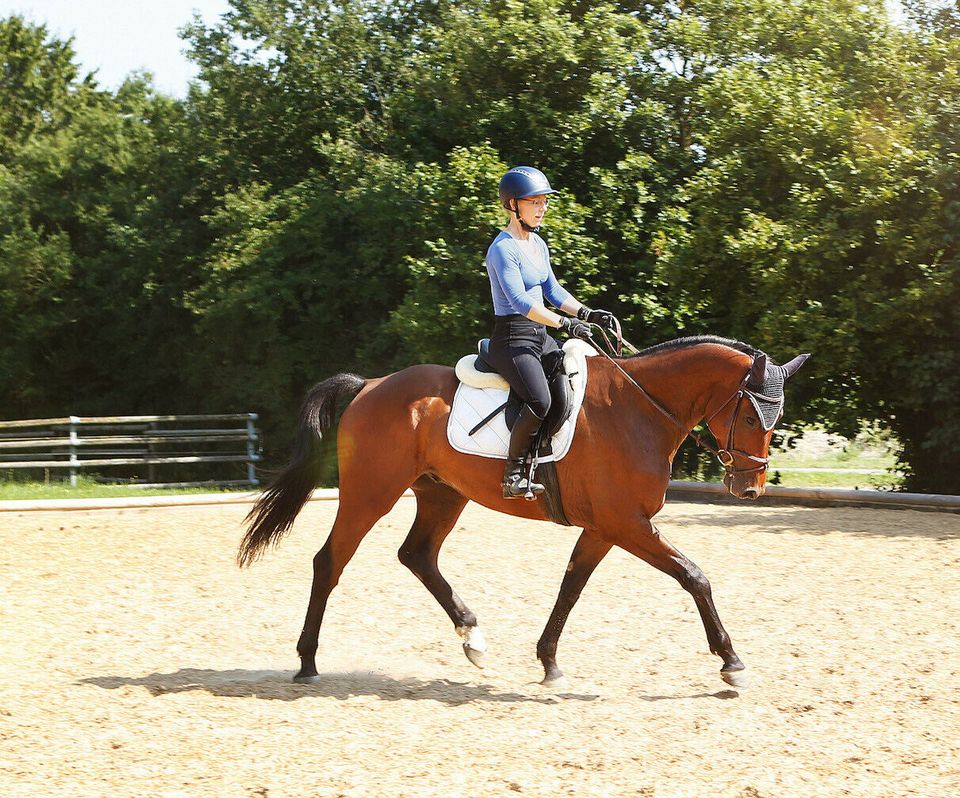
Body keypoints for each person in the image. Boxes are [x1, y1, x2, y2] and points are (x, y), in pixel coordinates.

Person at [484, 166, 619, 498]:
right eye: (535, 202)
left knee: (571, 381)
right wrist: (565, 323)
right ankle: (512, 475)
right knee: (540, 400)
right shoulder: (502, 249)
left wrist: (587, 312)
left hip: (538, 336)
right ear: (512, 205)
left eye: (544, 201)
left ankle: (547, 459)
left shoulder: (537, 244)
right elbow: (519, 302)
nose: (542, 207)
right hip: (513, 339)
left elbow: (554, 292)